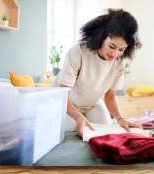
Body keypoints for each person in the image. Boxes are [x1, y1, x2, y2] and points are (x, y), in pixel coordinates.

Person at [58, 8, 142, 137]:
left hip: (92, 104)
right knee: (73, 130)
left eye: (121, 49)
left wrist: (120, 118)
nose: (115, 54)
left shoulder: (119, 62)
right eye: (112, 46)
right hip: (66, 104)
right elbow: (62, 96)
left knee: (105, 129)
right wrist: (78, 117)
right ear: (102, 37)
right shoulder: (78, 52)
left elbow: (110, 95)